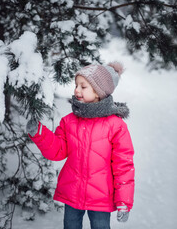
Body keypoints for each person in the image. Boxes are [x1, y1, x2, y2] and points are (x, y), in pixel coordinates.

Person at [26, 62, 135, 229]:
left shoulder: (115, 125)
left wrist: (123, 201)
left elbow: (124, 165)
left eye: (83, 86)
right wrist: (40, 133)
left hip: (101, 197)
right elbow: (58, 151)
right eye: (76, 85)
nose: (76, 90)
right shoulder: (69, 121)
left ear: (99, 92)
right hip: (72, 192)